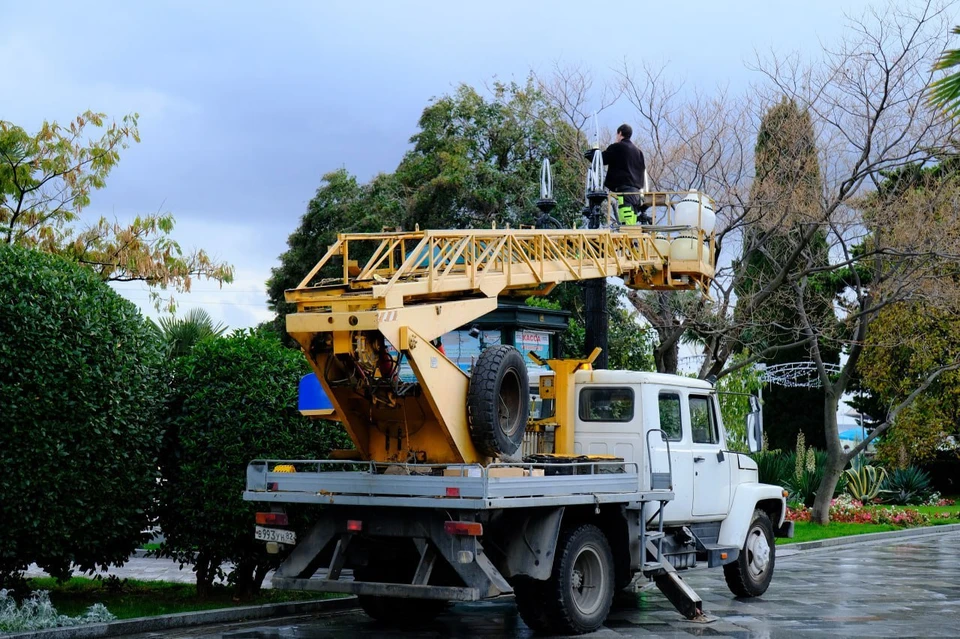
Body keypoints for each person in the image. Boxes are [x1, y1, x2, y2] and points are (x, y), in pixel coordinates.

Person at [586, 124, 649, 225]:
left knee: (626, 215)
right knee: (632, 215)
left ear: (620, 133)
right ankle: (632, 236)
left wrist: (593, 154)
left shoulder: (617, 147)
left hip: (623, 188)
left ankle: (629, 237)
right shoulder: (639, 152)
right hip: (636, 191)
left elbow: (602, 159)